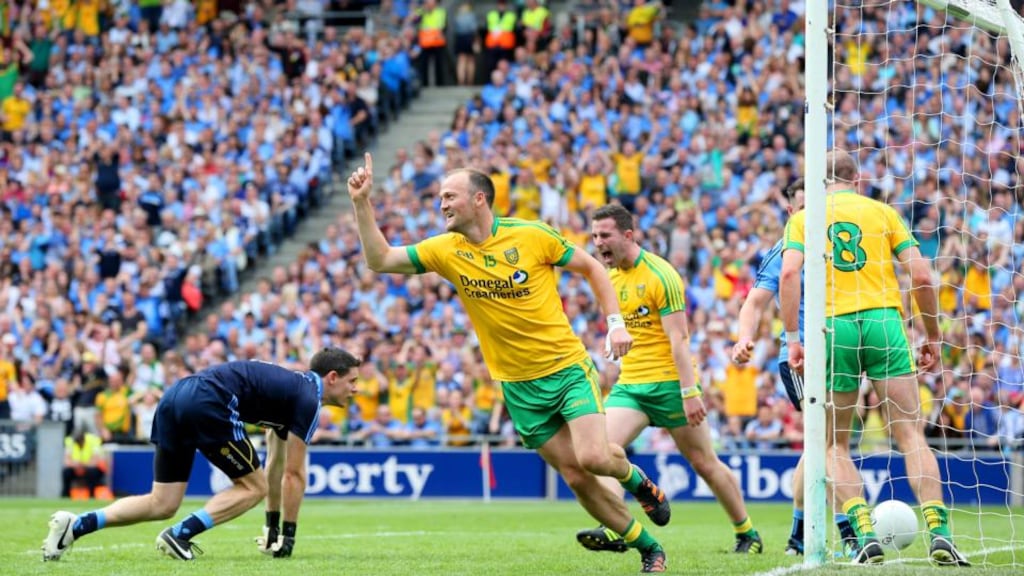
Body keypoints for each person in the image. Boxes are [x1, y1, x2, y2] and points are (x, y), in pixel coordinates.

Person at [347, 153, 670, 573]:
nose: (441, 204)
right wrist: (361, 202)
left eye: (450, 195)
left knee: (593, 458)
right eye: (440, 197)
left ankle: (638, 482)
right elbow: (380, 260)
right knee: (574, 476)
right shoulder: (445, 250)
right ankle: (649, 548)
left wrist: (614, 325)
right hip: (517, 386)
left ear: (479, 199)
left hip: (566, 368)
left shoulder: (532, 235)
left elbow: (592, 267)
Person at [779, 150, 969, 566]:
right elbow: (921, 275)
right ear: (856, 178)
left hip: (833, 328)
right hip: (885, 321)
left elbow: (789, 273)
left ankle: (864, 533)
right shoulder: (882, 212)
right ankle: (939, 530)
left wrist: (794, 337)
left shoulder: (803, 218)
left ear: (819, 179)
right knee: (910, 435)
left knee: (834, 443)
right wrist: (933, 336)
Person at [42, 348, 361, 562]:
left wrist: (273, 527)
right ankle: (179, 535)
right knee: (254, 486)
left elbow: (276, 464)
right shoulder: (309, 399)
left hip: (176, 396)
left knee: (162, 502)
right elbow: (293, 474)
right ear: (332, 377)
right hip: (211, 400)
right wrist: (288, 539)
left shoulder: (293, 392)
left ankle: (76, 526)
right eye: (352, 381)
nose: (356, 389)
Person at [575, 204, 762, 556]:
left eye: (605, 236)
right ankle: (616, 527)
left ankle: (747, 532)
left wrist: (690, 393)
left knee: (705, 462)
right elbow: (622, 324)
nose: (598, 243)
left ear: (628, 235)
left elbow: (679, 339)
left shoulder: (662, 275)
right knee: (596, 455)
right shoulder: (609, 277)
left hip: (671, 385)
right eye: (595, 235)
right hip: (631, 386)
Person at [732, 179, 859, 557]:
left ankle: (799, 535)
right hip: (801, 355)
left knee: (826, 443)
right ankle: (847, 533)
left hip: (843, 347)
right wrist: (743, 338)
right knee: (826, 441)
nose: (811, 213)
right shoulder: (784, 249)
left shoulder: (843, 242)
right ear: (791, 212)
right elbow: (754, 303)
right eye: (803, 206)